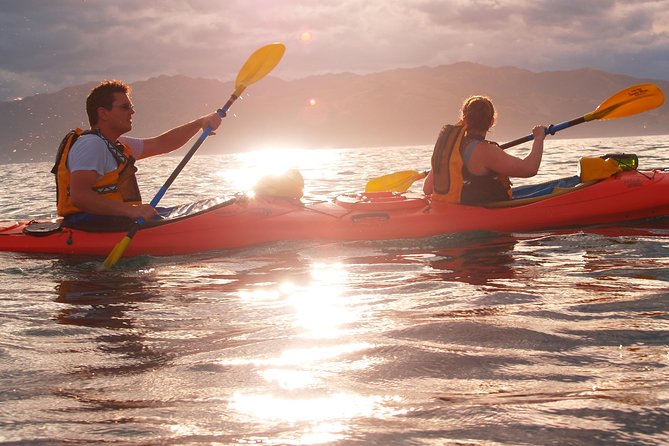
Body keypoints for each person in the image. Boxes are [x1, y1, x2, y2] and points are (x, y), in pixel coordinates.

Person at [52, 80, 222, 229]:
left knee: (174, 211)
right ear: (103, 113)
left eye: (131, 107)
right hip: (88, 224)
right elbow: (80, 197)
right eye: (125, 107)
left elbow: (163, 144)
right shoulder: (92, 145)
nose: (132, 112)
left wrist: (200, 123)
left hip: (109, 220)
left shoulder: (115, 145)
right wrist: (131, 211)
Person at [423, 95, 547, 205]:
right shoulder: (486, 151)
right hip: (480, 218)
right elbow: (529, 169)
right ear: (492, 122)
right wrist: (539, 138)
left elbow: (427, 189)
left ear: (464, 120)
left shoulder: (449, 149)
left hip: (452, 212)